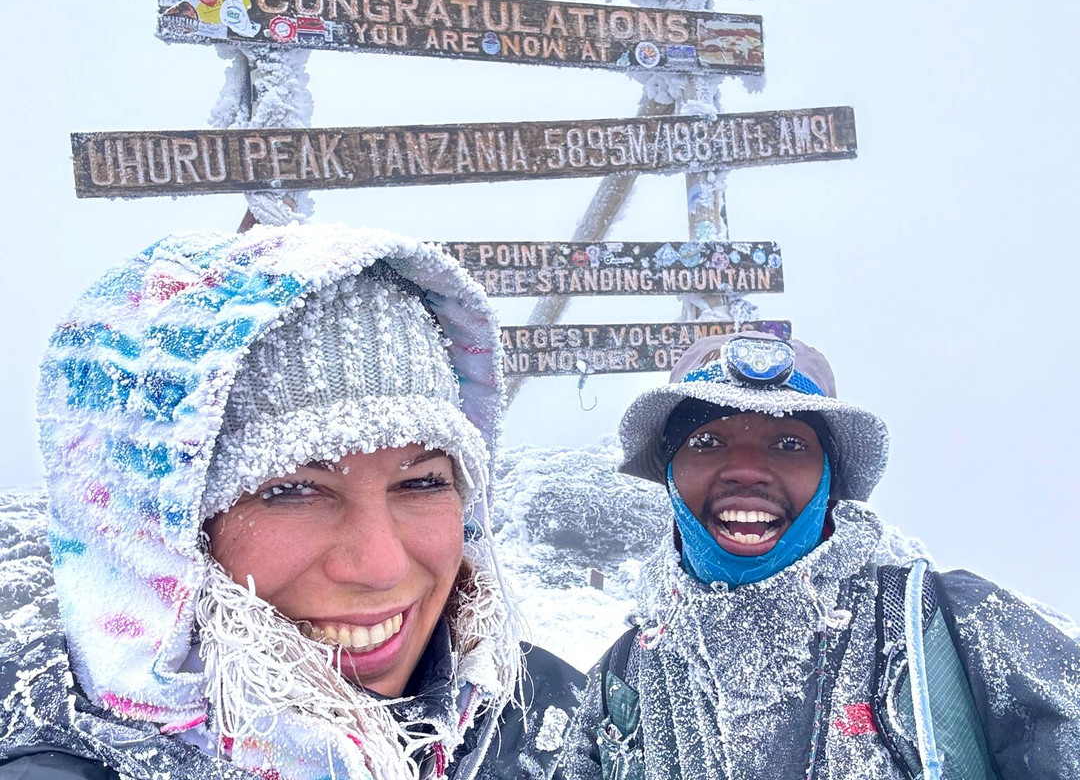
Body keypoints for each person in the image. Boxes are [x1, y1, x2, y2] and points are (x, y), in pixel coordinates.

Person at [0, 223, 584, 779]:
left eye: (422, 482)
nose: (381, 568)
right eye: (291, 490)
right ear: (148, 532)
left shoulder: (547, 718)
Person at [563, 331, 1080, 780]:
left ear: (830, 480)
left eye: (789, 444)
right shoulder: (623, 677)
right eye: (707, 441)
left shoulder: (948, 630)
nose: (747, 471)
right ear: (670, 473)